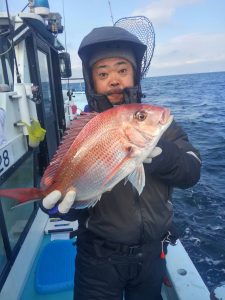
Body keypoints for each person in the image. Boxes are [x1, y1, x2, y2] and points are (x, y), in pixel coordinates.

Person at [41, 26, 201, 300]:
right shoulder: (84, 131)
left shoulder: (160, 126)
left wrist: (162, 155)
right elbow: (65, 180)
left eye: (122, 70)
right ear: (92, 82)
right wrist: (61, 207)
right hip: (97, 259)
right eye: (103, 73)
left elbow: (192, 171)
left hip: (152, 255)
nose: (114, 80)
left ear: (136, 74)